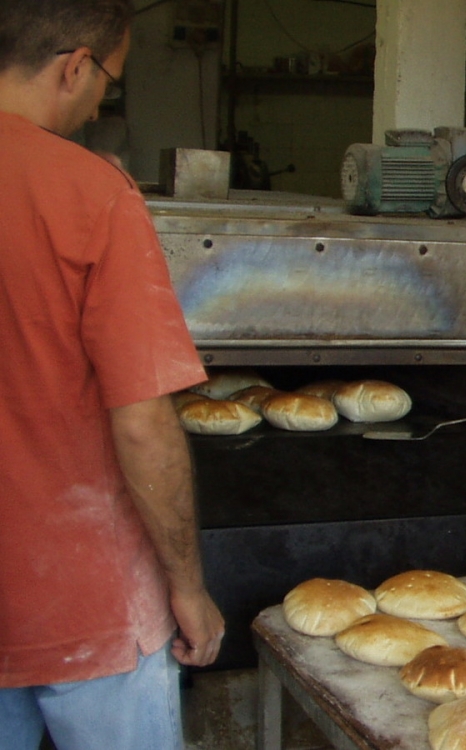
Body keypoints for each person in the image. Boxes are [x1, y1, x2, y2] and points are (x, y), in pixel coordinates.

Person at [0, 1, 225, 748]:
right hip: (81, 605)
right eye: (111, 81)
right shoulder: (91, 192)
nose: (103, 102)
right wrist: (187, 587)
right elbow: (142, 421)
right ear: (75, 66)